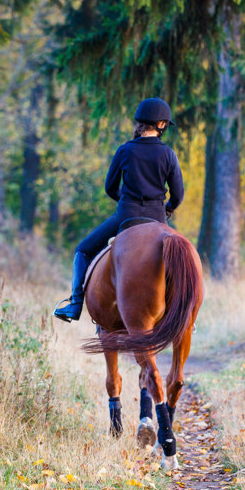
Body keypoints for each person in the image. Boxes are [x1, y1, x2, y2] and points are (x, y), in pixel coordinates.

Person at [54, 97, 184, 322]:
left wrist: (125, 201)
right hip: (157, 219)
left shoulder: (125, 151)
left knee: (83, 250)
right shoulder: (168, 154)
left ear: (140, 123)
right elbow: (178, 194)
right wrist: (167, 208)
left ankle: (75, 304)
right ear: (161, 124)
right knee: (182, 258)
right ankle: (184, 313)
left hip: (126, 217)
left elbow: (110, 188)